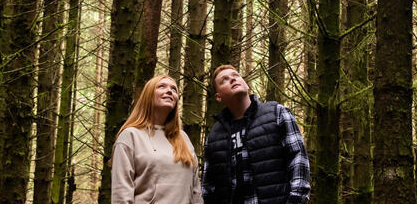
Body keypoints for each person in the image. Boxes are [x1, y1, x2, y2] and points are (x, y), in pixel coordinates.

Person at [200, 65, 310, 203]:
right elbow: (208, 186)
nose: (233, 79)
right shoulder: (214, 136)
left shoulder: (277, 113)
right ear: (218, 97)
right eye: (224, 80)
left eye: (236, 75)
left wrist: (295, 199)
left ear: (246, 84)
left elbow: (298, 158)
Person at [109, 75, 203, 204]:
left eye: (174, 89)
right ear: (148, 95)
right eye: (162, 86)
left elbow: (196, 191)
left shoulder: (183, 138)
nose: (169, 91)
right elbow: (121, 194)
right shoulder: (130, 136)